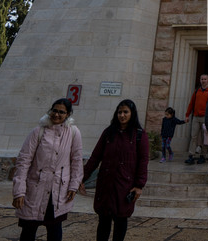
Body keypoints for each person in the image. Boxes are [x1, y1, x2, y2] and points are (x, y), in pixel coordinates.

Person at [12, 98, 83, 241]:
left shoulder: (73, 133)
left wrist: (74, 185)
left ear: (68, 114)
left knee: (55, 229)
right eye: (55, 110)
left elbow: (76, 161)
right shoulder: (38, 131)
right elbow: (23, 161)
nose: (57, 115)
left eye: (61, 112)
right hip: (35, 188)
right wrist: (19, 190)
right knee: (29, 228)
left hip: (58, 191)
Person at [80, 100, 148, 241]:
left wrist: (139, 185)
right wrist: (82, 178)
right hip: (106, 184)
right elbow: (95, 157)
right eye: (119, 112)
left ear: (132, 114)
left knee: (120, 220)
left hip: (124, 185)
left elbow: (143, 161)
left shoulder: (139, 135)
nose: (122, 115)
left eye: (125, 112)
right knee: (103, 221)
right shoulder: (108, 133)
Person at [184, 74, 208, 164]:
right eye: (202, 79)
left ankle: (203, 156)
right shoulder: (197, 90)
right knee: (193, 136)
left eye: (205, 79)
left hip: (206, 117)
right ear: (200, 80)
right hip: (196, 117)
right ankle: (191, 155)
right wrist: (187, 115)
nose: (203, 80)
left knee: (205, 137)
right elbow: (191, 103)